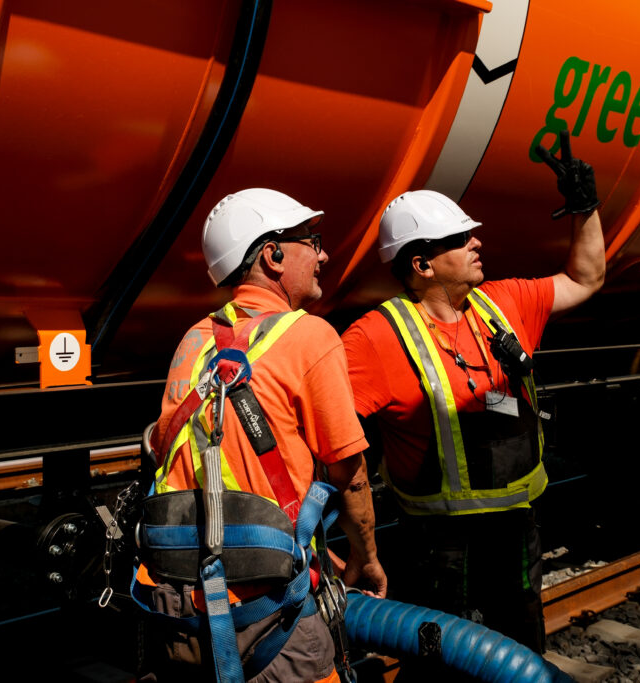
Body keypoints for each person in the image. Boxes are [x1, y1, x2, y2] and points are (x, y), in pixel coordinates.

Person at [341, 140, 604, 653]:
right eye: (460, 238)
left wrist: (585, 209)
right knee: (447, 662)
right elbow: (329, 438)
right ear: (422, 265)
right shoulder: (375, 339)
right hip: (438, 544)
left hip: (516, 528)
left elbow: (584, 278)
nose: (476, 242)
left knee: (521, 651)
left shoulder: (504, 303)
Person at [140, 188, 387, 682]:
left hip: (177, 608)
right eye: (311, 241)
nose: (323, 254)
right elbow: (351, 476)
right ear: (273, 255)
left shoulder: (192, 340)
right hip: (269, 612)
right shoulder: (310, 335)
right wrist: (367, 559)